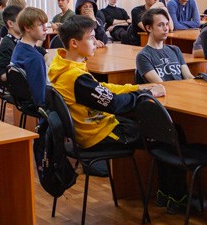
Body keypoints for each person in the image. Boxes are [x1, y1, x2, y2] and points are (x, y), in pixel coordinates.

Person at [48, 15, 165, 155]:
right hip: (98, 135)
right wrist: (148, 94)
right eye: (91, 38)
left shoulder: (64, 66)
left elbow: (102, 88)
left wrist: (136, 88)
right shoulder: (76, 77)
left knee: (148, 122)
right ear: (74, 43)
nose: (95, 42)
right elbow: (114, 103)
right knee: (166, 132)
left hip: (95, 128)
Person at [134, 7, 197, 213]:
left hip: (181, 103)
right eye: (160, 25)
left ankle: (172, 193)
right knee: (177, 138)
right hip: (162, 112)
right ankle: (175, 195)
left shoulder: (175, 50)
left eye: (166, 24)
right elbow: (161, 85)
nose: (166, 28)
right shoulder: (144, 56)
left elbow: (188, 77)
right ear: (148, 28)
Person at [10, 7, 51, 108]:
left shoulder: (18, 48)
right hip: (41, 106)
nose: (45, 28)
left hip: (25, 102)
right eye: (41, 25)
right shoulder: (35, 58)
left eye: (45, 24)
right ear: (27, 28)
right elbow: (40, 98)